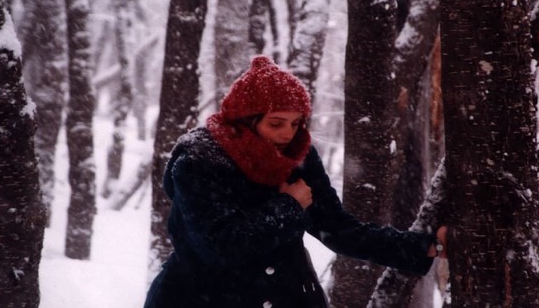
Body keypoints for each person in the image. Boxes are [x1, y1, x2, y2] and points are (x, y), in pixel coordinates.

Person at [144, 56, 447, 308]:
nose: (288, 134)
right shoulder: (200, 160)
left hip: (287, 297)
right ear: (245, 119)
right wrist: (289, 206)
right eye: (276, 123)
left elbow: (339, 230)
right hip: (202, 299)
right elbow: (220, 247)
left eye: (296, 123)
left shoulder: (297, 156)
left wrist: (424, 246)